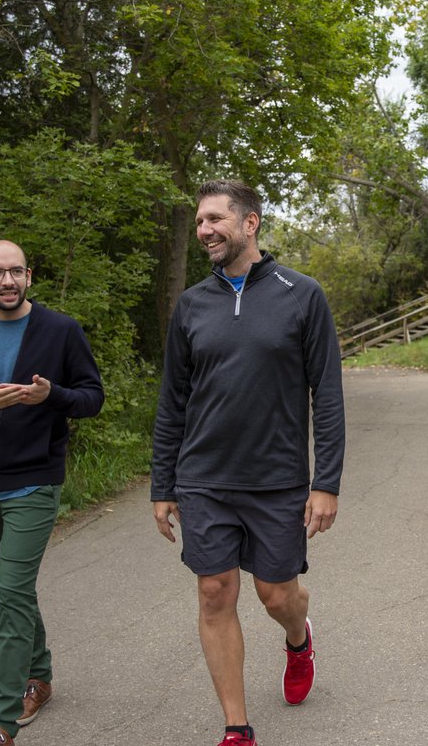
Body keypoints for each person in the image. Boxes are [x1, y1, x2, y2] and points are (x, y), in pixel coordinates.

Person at [151, 179, 345, 746]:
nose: (205, 230)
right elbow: (173, 402)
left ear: (250, 222)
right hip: (204, 478)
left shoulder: (301, 294)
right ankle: (237, 728)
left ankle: (298, 638)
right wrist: (163, 483)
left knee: (276, 595)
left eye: (215, 219)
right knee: (215, 592)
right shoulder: (191, 304)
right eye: (200, 221)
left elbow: (326, 395)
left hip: (277, 477)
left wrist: (325, 482)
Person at [0, 240, 104, 746]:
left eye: (15, 272)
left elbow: (91, 399)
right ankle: (41, 674)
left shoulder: (61, 330)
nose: (6, 281)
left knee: (9, 594)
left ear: (29, 276)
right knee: (13, 591)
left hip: (35, 480)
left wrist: (54, 396)